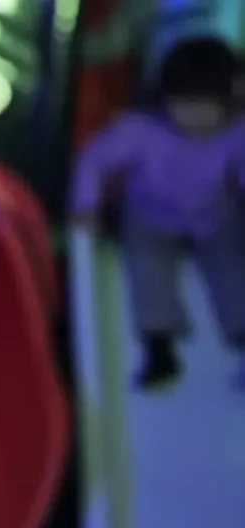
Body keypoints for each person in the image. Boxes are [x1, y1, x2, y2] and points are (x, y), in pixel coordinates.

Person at [70, 36, 245, 391]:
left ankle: (241, 332)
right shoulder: (141, 130)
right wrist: (85, 206)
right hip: (151, 216)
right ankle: (159, 345)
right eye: (187, 105)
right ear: (166, 100)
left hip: (214, 216)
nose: (197, 117)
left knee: (232, 267)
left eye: (208, 106)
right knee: (147, 267)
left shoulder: (236, 134)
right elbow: (94, 161)